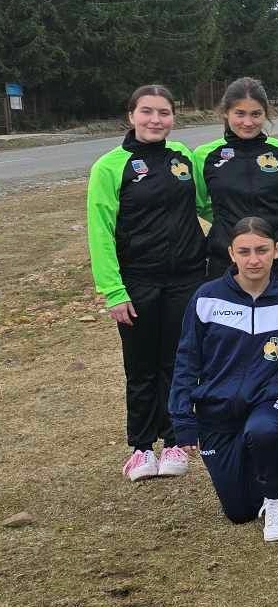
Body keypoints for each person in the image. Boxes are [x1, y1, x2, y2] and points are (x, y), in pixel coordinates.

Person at [87, 84, 207, 482]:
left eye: (164, 113)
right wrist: (113, 291)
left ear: (173, 117)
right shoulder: (110, 166)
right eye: (147, 112)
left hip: (186, 278)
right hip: (138, 281)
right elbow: (100, 232)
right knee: (141, 366)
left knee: (176, 361)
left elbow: (205, 204)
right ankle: (140, 447)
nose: (156, 120)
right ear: (131, 115)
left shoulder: (183, 156)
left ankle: (174, 440)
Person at [169, 217, 278, 543]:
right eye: (244, 251)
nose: (253, 259)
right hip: (216, 410)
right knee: (240, 512)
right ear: (231, 253)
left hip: (267, 399)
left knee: (263, 431)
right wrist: (182, 420)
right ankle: (257, 463)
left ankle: (276, 499)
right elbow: (186, 361)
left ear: (276, 250)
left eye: (261, 250)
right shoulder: (206, 298)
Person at [193, 78, 278, 286]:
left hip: (277, 261)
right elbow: (199, 203)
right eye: (240, 114)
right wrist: (225, 219)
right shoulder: (204, 155)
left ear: (266, 113)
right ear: (226, 113)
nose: (248, 122)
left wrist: (271, 219)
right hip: (224, 259)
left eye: (256, 114)